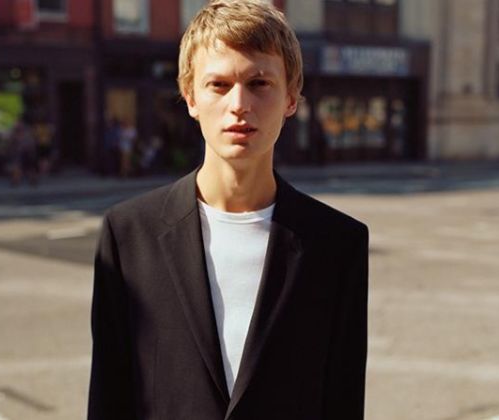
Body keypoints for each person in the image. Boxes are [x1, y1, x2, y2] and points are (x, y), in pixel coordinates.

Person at [87, 1, 369, 419]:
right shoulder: (128, 235)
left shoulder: (337, 244)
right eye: (218, 85)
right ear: (190, 98)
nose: (239, 104)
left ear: (291, 98)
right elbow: (110, 397)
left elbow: (342, 401)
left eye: (259, 83)